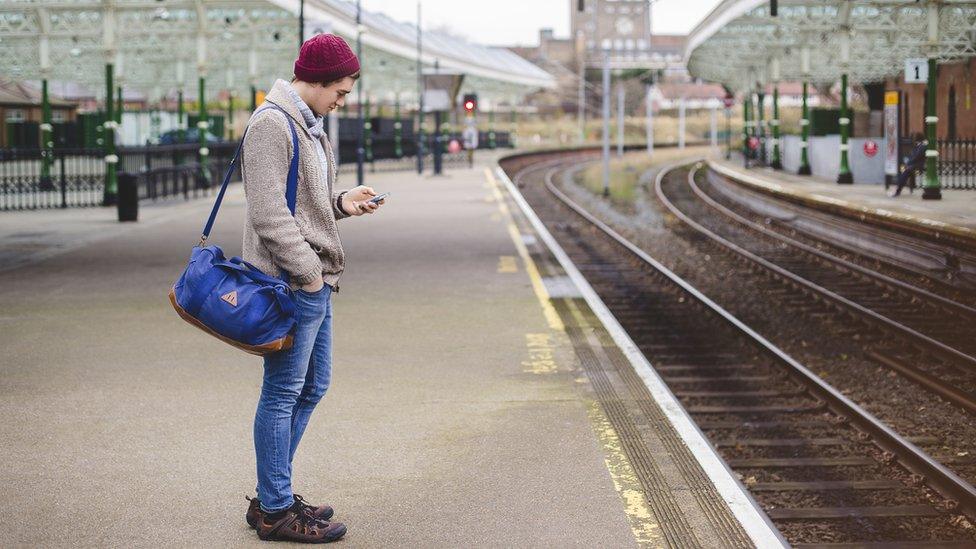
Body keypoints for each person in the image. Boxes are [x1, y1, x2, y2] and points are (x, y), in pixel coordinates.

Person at [240, 34, 383, 543]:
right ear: (317, 81)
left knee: (312, 386)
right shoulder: (271, 124)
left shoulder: (305, 123)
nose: (341, 101)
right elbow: (268, 212)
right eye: (339, 92)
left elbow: (305, 202)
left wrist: (343, 203)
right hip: (292, 283)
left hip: (312, 281)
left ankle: (270, 493)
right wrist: (307, 273)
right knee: (282, 394)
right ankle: (275, 508)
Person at [890, 133, 927, 197]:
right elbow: (912, 156)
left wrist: (908, 164)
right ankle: (898, 189)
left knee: (905, 172)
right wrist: (908, 164)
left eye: (915, 137)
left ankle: (898, 191)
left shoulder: (922, 146)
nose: (913, 139)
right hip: (913, 165)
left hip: (918, 166)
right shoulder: (917, 146)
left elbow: (917, 157)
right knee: (903, 171)